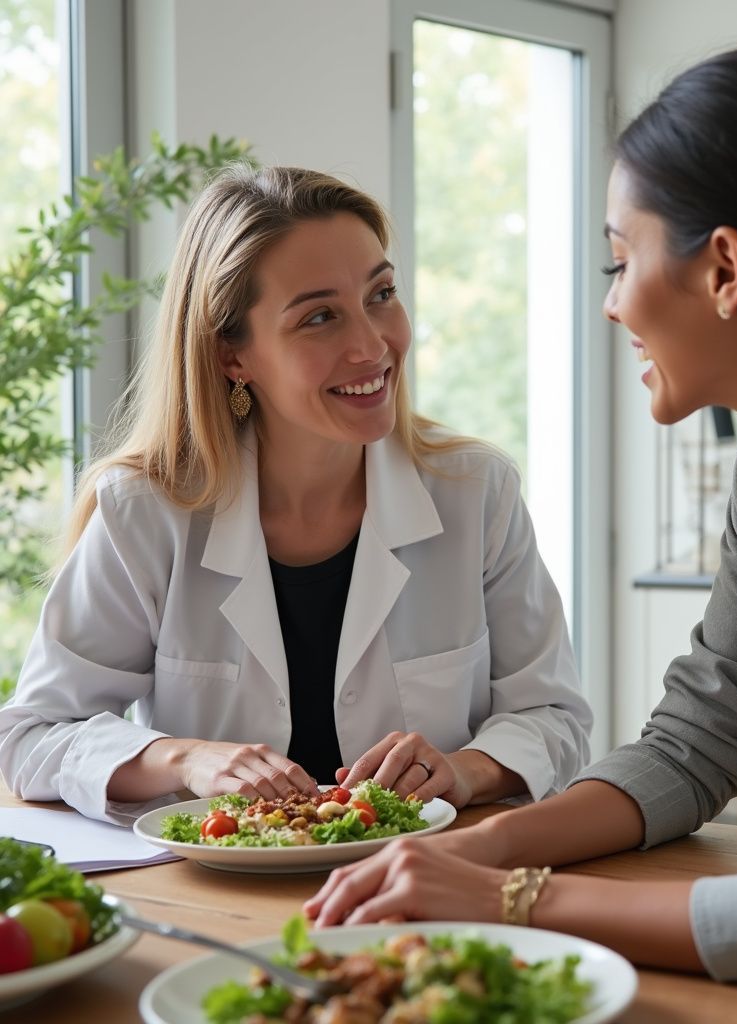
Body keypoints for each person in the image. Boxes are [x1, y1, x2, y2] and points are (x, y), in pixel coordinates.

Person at [302, 41, 737, 999]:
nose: (609, 305)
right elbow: (697, 740)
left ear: (725, 268)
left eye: (619, 257)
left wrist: (509, 897)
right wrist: (472, 846)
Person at [0, 166, 591, 825]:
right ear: (232, 355)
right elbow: (32, 734)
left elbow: (554, 717)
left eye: (382, 294)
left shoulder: (476, 492)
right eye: (319, 318)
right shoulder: (147, 510)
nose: (372, 344)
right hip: (211, 892)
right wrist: (185, 759)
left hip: (425, 886)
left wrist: (464, 770)